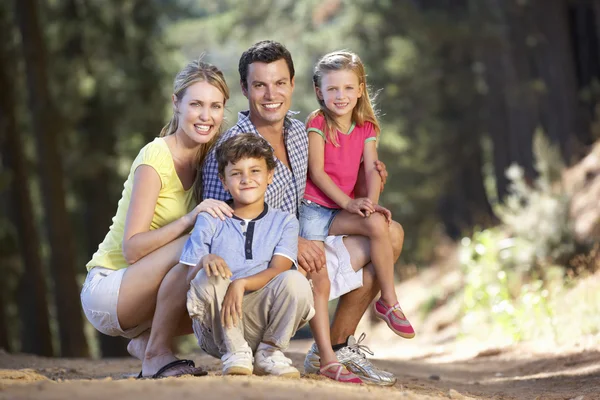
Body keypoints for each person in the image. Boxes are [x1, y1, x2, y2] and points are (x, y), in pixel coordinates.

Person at [201, 40, 405, 386]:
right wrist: (291, 242)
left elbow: (319, 195)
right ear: (244, 88)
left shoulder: (301, 132)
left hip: (304, 248)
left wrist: (366, 181)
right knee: (313, 263)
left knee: (389, 232)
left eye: (280, 83)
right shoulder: (229, 150)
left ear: (293, 85)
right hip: (254, 285)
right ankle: (313, 352)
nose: (271, 94)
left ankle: (336, 347)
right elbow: (223, 233)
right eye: (260, 85)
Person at [80, 59, 235, 378]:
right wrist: (190, 218)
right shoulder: (155, 157)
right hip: (110, 288)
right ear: (176, 103)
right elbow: (132, 250)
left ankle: (145, 342)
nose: (207, 116)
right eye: (196, 104)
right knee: (197, 242)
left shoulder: (209, 160)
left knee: (224, 267)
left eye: (215, 106)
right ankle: (155, 354)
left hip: (145, 298)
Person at [299, 51, 415, 384]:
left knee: (379, 223)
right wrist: (351, 204)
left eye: (348, 88)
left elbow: (371, 169)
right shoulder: (317, 123)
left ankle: (388, 302)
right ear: (319, 91)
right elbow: (318, 174)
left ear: (361, 89)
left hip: (343, 209)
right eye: (332, 89)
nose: (340, 96)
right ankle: (327, 354)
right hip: (316, 209)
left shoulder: (367, 127)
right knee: (316, 278)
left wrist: (370, 204)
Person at [184, 134, 314, 378]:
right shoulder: (210, 217)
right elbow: (189, 278)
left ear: (270, 176)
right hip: (218, 328)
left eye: (255, 171)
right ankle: (235, 351)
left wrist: (241, 283)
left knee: (296, 280)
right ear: (223, 181)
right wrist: (204, 260)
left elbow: (279, 269)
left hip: (264, 321)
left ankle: (269, 352)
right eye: (236, 173)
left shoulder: (284, 221)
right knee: (209, 275)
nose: (246, 180)